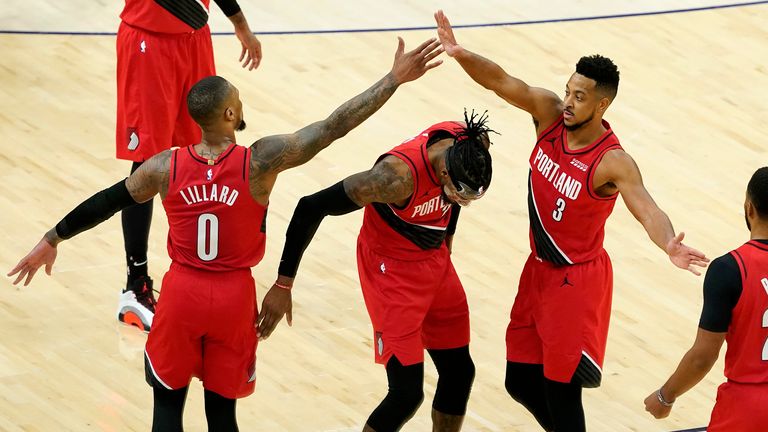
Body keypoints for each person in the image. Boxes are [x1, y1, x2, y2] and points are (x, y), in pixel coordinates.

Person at [8, 37, 443, 431]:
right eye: (238, 98)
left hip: (182, 294)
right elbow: (333, 127)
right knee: (221, 415)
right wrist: (393, 79)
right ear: (231, 114)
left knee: (166, 405)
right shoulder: (261, 162)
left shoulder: (164, 166)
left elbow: (108, 200)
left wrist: (53, 238)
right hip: (234, 297)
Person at [434, 10, 709, 431]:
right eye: (568, 90)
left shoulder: (611, 161)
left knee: (562, 391)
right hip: (538, 271)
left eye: (580, 97)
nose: (568, 101)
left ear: (602, 104)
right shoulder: (547, 114)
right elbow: (502, 80)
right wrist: (459, 53)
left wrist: (669, 243)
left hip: (575, 282)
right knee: (519, 379)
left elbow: (647, 208)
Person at [257, 110, 494, 432]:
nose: (459, 202)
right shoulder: (392, 178)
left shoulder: (472, 144)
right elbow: (311, 207)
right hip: (390, 271)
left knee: (459, 372)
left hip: (433, 259)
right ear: (442, 170)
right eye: (458, 193)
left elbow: (453, 203)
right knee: (406, 394)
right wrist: (283, 284)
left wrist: (447, 240)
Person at [116, 0, 263, 332]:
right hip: (148, 40)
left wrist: (239, 23)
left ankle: (211, 273)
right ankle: (134, 284)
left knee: (208, 147)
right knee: (148, 165)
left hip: (194, 36)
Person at [644, 167, 768, 431]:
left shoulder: (731, 268)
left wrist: (665, 396)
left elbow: (703, 357)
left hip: (748, 410)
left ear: (749, 209)